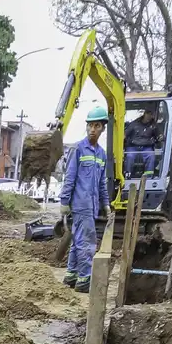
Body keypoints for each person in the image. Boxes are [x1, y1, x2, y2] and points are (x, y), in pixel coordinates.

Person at [60, 105, 112, 293]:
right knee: (87, 243)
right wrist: (64, 202)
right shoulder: (78, 149)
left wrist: (106, 204)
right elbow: (70, 178)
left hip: (92, 205)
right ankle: (85, 280)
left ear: (102, 128)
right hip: (80, 204)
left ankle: (72, 275)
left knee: (77, 241)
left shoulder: (101, 154)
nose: (92, 129)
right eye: (90, 125)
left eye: (96, 126)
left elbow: (101, 184)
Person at [124, 107, 161, 179]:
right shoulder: (134, 124)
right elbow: (125, 134)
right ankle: (127, 174)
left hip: (146, 147)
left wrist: (160, 137)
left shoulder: (153, 125)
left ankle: (148, 176)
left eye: (151, 114)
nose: (149, 116)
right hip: (133, 146)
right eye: (148, 114)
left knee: (151, 155)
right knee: (129, 156)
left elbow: (159, 135)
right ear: (144, 114)